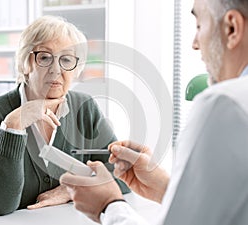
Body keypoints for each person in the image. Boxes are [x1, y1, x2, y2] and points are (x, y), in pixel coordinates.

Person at [60, 0, 248, 224]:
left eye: (199, 26)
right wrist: (165, 187)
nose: (195, 44)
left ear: (232, 28)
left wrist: (109, 206)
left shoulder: (224, 104)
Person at [0, 15, 129, 220]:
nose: (56, 69)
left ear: (77, 68)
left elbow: (123, 176)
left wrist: (71, 189)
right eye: (44, 57)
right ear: (25, 63)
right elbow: (0, 204)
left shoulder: (84, 108)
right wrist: (14, 125)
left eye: (66, 59)